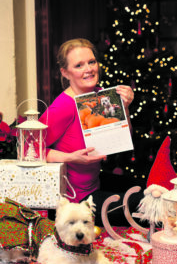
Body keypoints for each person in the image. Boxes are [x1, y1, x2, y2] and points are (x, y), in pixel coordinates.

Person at [40, 38, 143, 226]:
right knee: (143, 204)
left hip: (94, 184)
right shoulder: (63, 106)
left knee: (144, 190)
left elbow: (123, 136)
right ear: (65, 72)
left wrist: (125, 108)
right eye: (79, 65)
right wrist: (71, 158)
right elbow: (29, 150)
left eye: (91, 62)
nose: (88, 69)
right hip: (76, 202)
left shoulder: (100, 94)